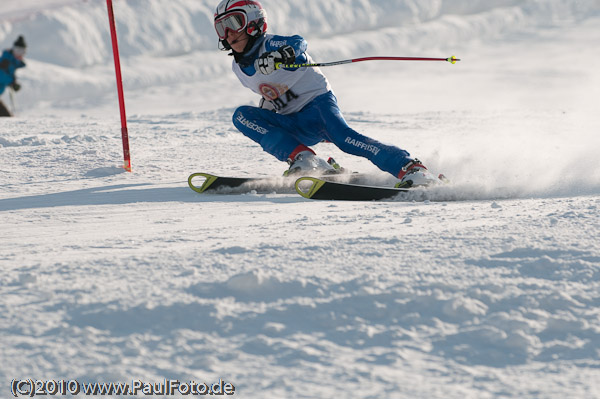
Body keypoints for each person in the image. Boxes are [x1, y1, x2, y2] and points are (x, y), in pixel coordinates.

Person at [213, 0, 438, 186]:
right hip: (293, 121)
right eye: (222, 27)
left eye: (234, 23)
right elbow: (272, 91)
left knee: (346, 139)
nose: (229, 33)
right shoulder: (238, 68)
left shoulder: (271, 44)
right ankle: (306, 159)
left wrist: (282, 56)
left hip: (317, 106)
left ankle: (410, 167)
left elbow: (300, 43)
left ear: (253, 23)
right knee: (242, 116)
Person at [0, 35, 26, 117]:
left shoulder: (13, 62)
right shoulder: (6, 59)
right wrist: (12, 81)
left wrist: (13, 83)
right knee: (7, 117)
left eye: (22, 51)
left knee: (7, 116)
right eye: (18, 50)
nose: (20, 54)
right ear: (13, 49)